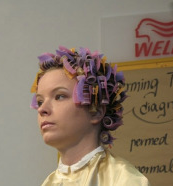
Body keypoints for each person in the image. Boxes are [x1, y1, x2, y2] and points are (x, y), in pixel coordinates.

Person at [30, 46, 150, 186]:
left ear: (96, 111)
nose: (42, 109)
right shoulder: (49, 183)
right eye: (39, 101)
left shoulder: (123, 179)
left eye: (60, 96)